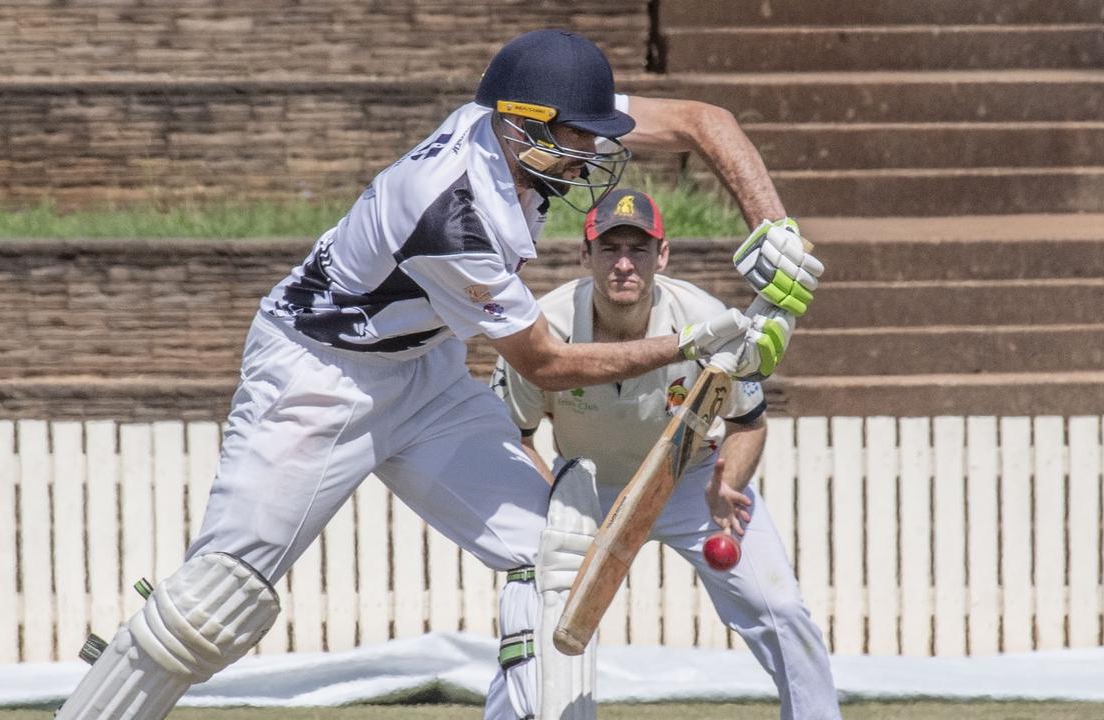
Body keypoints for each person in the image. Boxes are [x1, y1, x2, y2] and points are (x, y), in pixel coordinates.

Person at [54, 29, 823, 720]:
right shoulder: (451, 211)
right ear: (522, 127)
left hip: (423, 371)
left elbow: (702, 121)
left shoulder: (526, 117)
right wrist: (691, 344)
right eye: (581, 140)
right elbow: (546, 365)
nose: (595, 153)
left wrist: (774, 225)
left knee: (557, 561)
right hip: (316, 377)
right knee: (211, 605)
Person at [494, 188, 840, 720]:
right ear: (585, 256)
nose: (624, 264)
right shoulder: (545, 330)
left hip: (691, 485)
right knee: (545, 629)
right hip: (586, 493)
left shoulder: (706, 317)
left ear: (663, 255)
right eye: (609, 249)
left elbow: (747, 423)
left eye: (639, 248)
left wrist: (727, 485)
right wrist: (554, 504)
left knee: (784, 612)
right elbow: (515, 437)